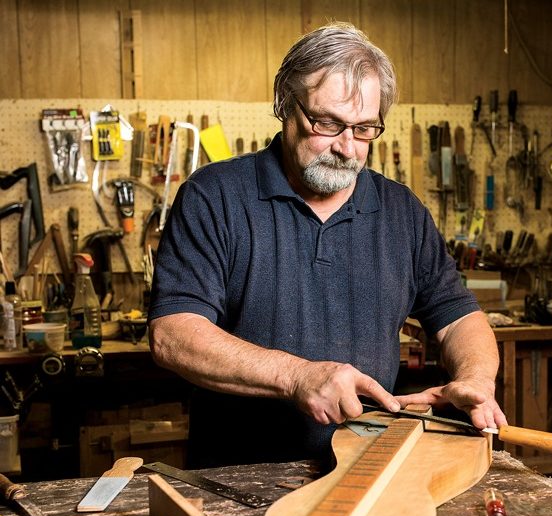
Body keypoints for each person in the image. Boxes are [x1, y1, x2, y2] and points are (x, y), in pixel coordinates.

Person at [147, 21, 507, 469]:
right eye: (328, 123)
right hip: (240, 479)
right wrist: (297, 376)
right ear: (284, 103)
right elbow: (173, 334)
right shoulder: (214, 197)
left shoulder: (401, 211)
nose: (346, 147)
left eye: (364, 129)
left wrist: (475, 378)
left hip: (367, 471)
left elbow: (459, 319)